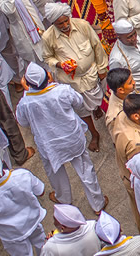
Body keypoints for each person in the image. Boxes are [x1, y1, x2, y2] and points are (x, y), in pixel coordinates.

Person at [16, 62, 106, 212]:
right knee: (85, 170)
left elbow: (22, 121)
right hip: (72, 138)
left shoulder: (25, 102)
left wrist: (28, 93)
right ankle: (98, 204)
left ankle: (64, 198)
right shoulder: (62, 91)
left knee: (55, 173)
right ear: (49, 76)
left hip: (49, 145)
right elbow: (78, 103)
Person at [42, 3, 109, 150]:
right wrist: (60, 65)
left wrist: (102, 68)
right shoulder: (48, 37)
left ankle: (97, 108)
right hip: (72, 81)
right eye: (61, 23)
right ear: (53, 23)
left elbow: (97, 46)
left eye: (67, 21)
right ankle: (94, 133)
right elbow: (47, 58)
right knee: (81, 109)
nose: (65, 25)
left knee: (100, 97)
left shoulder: (82, 25)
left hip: (92, 75)